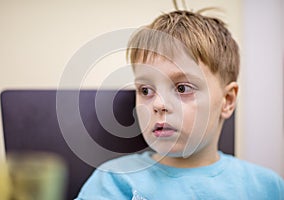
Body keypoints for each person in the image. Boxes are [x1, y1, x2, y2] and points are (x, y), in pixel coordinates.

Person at [76, 10, 284, 199]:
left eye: (182, 88)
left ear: (227, 101)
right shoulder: (113, 181)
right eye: (146, 90)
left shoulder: (266, 187)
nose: (158, 104)